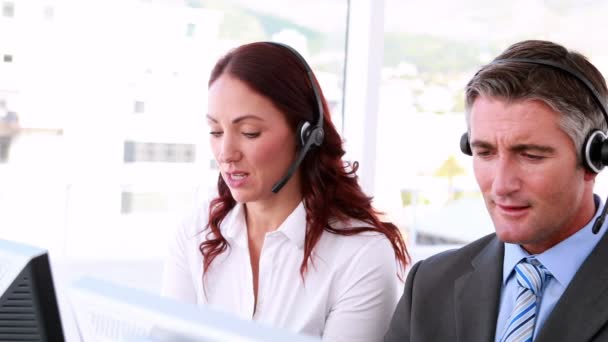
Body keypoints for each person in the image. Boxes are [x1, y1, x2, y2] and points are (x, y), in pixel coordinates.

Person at [161, 41, 409, 342]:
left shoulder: (361, 254)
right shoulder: (196, 231)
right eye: (216, 131)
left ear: (306, 134)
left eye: (250, 132)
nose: (225, 153)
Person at [385, 39, 608, 342]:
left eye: (531, 155)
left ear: (594, 157)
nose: (501, 185)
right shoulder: (429, 285)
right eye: (485, 152)